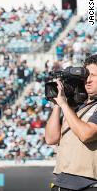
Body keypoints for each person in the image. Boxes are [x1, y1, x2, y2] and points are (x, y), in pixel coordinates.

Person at [46, 54, 97, 191]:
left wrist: (64, 105)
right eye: (86, 76)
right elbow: (51, 138)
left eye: (93, 75)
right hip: (62, 181)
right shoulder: (75, 107)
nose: (88, 80)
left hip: (88, 184)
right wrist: (58, 103)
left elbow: (86, 134)